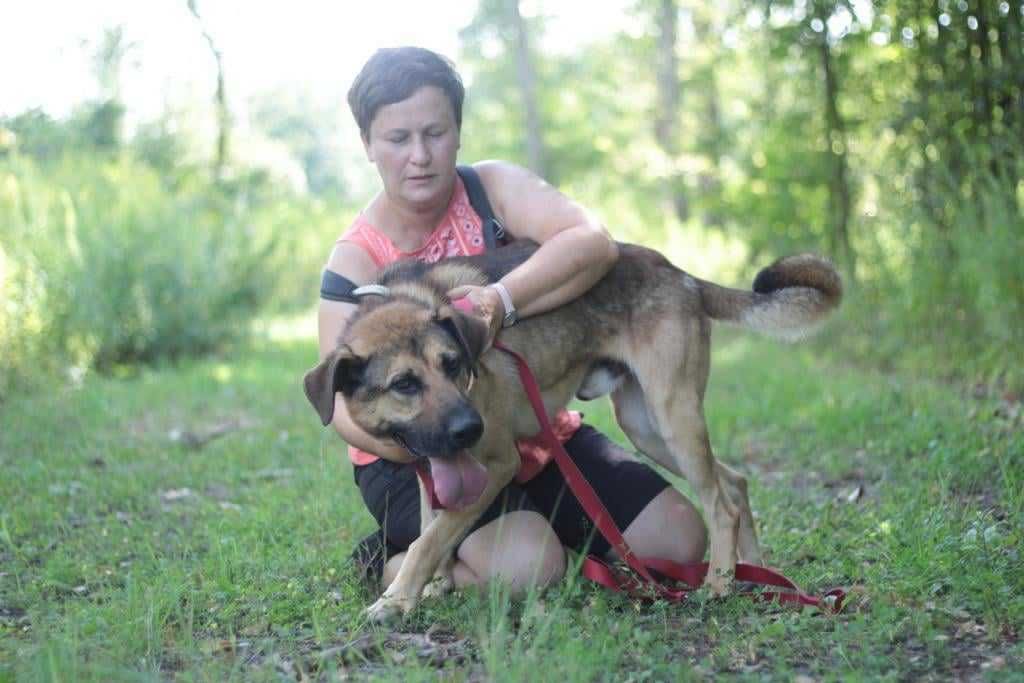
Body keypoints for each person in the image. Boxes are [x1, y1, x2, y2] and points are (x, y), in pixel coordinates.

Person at [319, 46, 707, 593]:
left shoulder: (492, 190)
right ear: (367, 145)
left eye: (435, 132)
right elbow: (341, 410)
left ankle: (528, 524)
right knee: (532, 570)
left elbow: (593, 244)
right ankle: (403, 560)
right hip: (417, 453)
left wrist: (499, 300)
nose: (420, 156)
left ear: (457, 129)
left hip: (530, 429)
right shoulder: (354, 262)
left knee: (681, 541)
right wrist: (440, 448)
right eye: (398, 138)